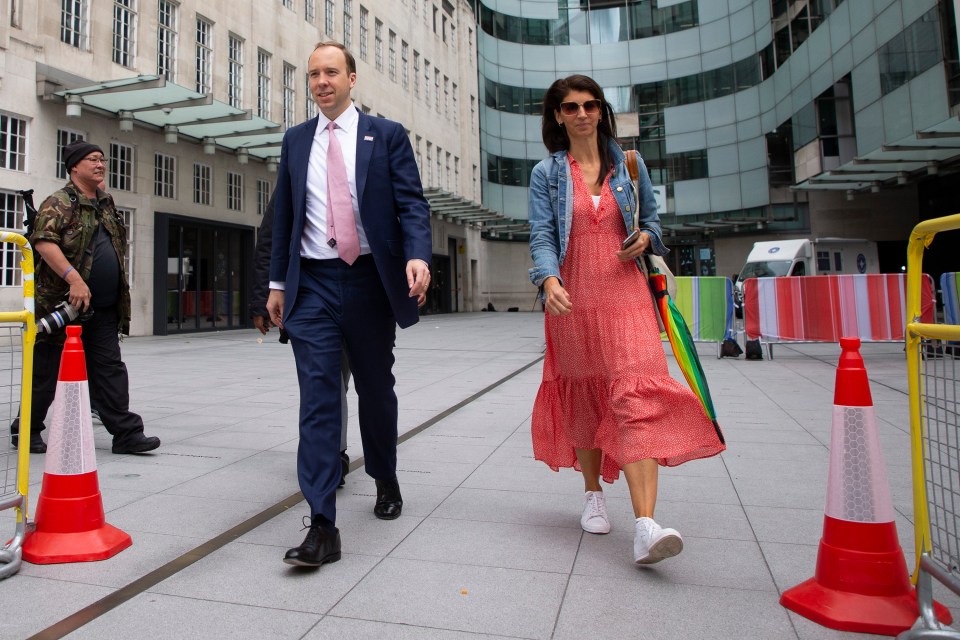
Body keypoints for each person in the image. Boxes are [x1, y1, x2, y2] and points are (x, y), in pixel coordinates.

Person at [527, 75, 725, 565]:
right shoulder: (547, 174)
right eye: (570, 107)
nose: (581, 114)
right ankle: (593, 492)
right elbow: (542, 235)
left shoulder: (630, 166)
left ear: (601, 111)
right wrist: (549, 281)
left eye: (590, 105)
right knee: (587, 395)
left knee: (638, 395)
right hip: (573, 299)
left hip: (627, 296)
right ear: (557, 115)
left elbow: (654, 225)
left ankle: (645, 525)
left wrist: (646, 239)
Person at [267, 42, 432, 568]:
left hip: (367, 283)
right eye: (313, 73)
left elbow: (412, 203)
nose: (321, 81)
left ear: (352, 78)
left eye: (331, 72)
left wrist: (418, 256)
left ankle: (384, 473)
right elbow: (283, 219)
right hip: (312, 284)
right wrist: (276, 284)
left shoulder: (386, 136)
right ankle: (321, 523)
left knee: (375, 389)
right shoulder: (295, 141)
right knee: (318, 397)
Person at [9, 140, 160, 455]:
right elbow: (43, 242)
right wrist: (75, 279)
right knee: (45, 372)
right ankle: (26, 430)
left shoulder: (106, 202)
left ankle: (126, 434)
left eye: (102, 159)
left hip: (101, 308)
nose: (100, 163)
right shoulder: (59, 202)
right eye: (92, 159)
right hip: (62, 305)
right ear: (74, 166)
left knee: (110, 369)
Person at [251, 191, 351, 487]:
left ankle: (381, 469)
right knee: (325, 381)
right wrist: (260, 302)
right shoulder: (296, 174)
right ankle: (332, 454)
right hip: (310, 297)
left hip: (361, 294)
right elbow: (269, 241)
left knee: (357, 385)